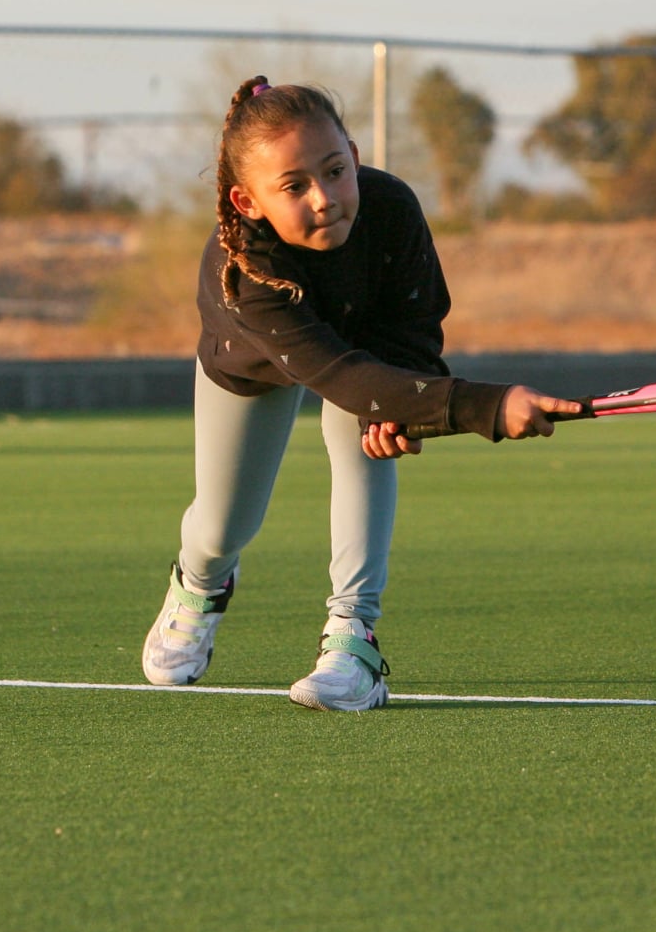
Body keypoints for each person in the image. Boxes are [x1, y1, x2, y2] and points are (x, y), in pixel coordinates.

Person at [142, 77, 582, 711]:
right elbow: (338, 373)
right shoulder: (241, 271)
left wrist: (403, 400)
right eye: (293, 186)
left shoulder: (392, 208)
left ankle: (354, 644)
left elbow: (413, 319)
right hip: (255, 366)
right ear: (248, 200)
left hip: (363, 354)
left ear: (352, 151)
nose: (324, 198)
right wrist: (487, 405)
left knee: (364, 442)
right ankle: (201, 582)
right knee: (222, 526)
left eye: (335, 170)